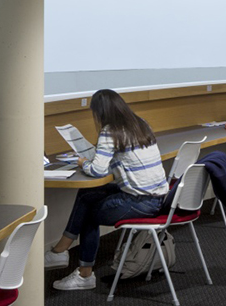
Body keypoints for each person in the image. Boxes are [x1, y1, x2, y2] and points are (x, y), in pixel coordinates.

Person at [45, 89, 170, 290]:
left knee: (88, 214)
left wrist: (82, 162)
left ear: (101, 112)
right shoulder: (141, 124)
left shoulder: (110, 131)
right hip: (158, 197)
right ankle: (61, 252)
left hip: (140, 202)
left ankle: (81, 272)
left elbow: (97, 170)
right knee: (86, 195)